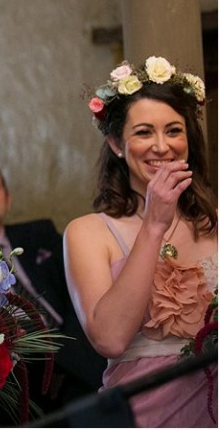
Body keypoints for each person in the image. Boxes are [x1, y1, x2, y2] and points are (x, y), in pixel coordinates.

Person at [64, 56, 217, 427]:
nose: (162, 147)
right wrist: (154, 224)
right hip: (140, 415)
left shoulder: (214, 223)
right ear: (117, 143)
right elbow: (110, 339)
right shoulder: (88, 232)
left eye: (174, 131)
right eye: (145, 132)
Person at [0, 161, 107, 419]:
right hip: (10, 368)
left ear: (7, 199)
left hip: (72, 353)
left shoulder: (40, 235)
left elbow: (78, 292)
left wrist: (64, 357)